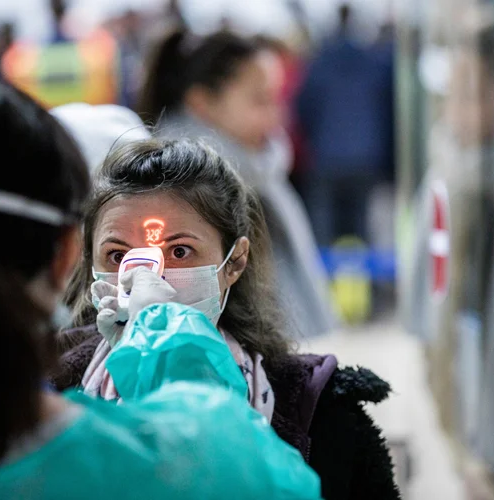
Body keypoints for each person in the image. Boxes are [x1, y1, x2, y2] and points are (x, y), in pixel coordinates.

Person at [0, 76, 321, 499]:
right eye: (118, 253)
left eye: (180, 250)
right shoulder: (160, 463)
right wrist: (164, 330)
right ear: (70, 254)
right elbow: (226, 449)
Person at [54, 139, 402, 500]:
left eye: (178, 251)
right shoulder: (49, 391)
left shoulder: (322, 412)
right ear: (87, 262)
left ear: (234, 262)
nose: (146, 276)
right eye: (117, 255)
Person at [138, 29, 334, 337]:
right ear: (201, 102)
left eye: (278, 98)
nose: (277, 117)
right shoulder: (177, 189)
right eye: (260, 100)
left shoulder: (261, 173)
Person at [295, 3, 394, 248]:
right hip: (366, 156)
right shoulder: (374, 62)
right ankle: (367, 284)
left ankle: (322, 284)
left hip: (326, 157)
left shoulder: (319, 62)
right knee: (362, 227)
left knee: (322, 232)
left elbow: (303, 106)